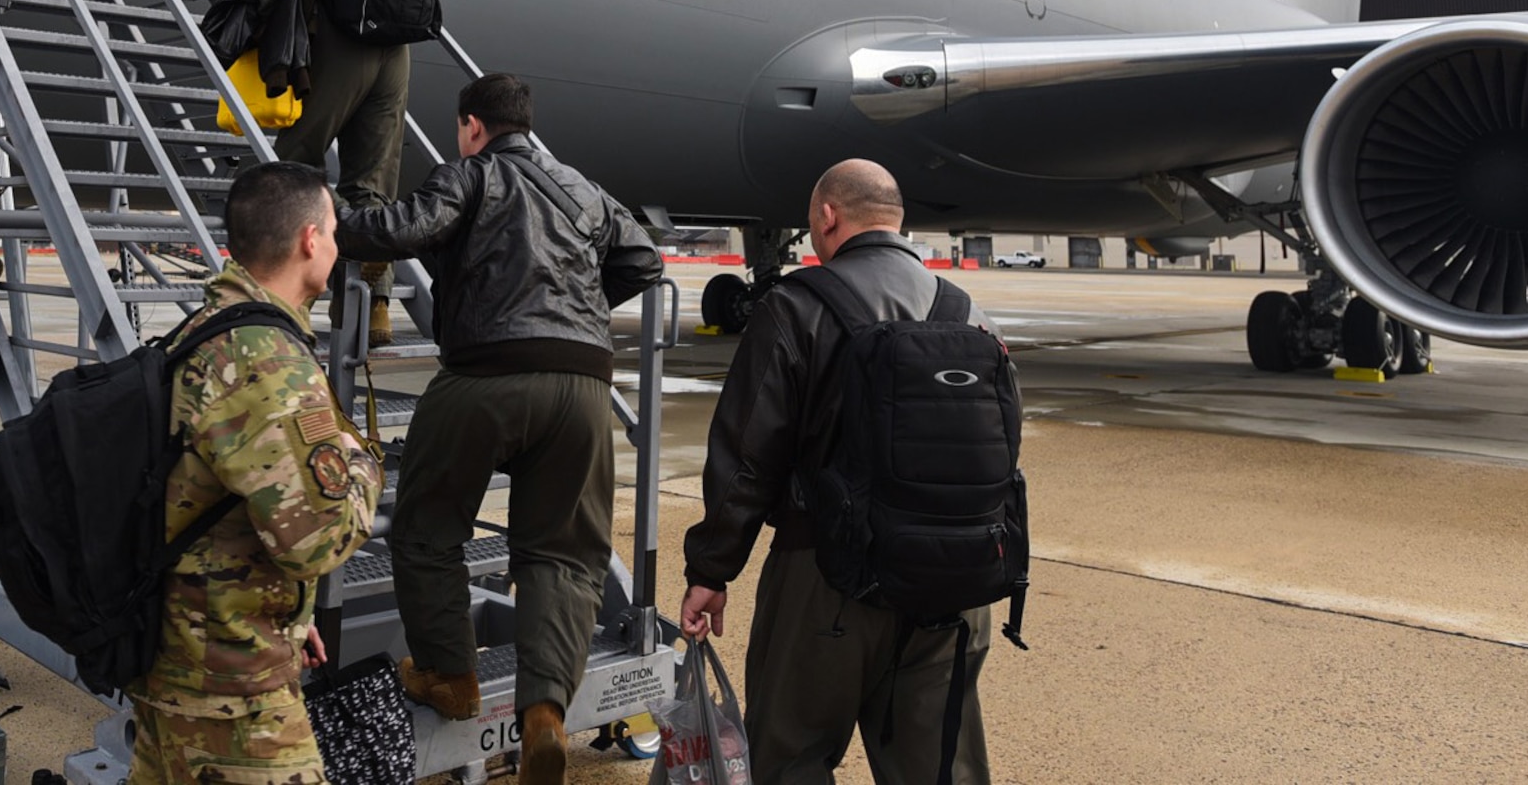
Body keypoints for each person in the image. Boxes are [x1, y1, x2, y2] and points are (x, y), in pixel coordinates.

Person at [334, 73, 662, 785]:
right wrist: (574, 310)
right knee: (564, 551)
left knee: (427, 526)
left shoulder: (470, 176)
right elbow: (644, 257)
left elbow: (398, 230)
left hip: (483, 375)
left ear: (472, 126)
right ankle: (545, 711)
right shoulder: (580, 187)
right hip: (581, 384)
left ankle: (452, 678)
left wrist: (326, 215)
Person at [679, 160, 1000, 785]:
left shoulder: (796, 307)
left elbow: (747, 454)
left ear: (828, 217)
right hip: (951, 580)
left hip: (826, 575)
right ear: (896, 219)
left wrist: (711, 570)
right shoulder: (969, 312)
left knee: (791, 757)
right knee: (940, 766)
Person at [129, 160, 385, 785]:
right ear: (309, 241)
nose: (335, 242)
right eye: (331, 229)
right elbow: (316, 540)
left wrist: (290, 622)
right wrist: (365, 464)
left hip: (173, 659)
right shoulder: (266, 362)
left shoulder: (202, 332)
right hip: (233, 695)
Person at [259, 0, 456, 344]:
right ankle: (373, 310)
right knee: (372, 185)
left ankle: (291, 299)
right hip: (395, 55)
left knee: (296, 167)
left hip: (340, 46)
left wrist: (271, 8)